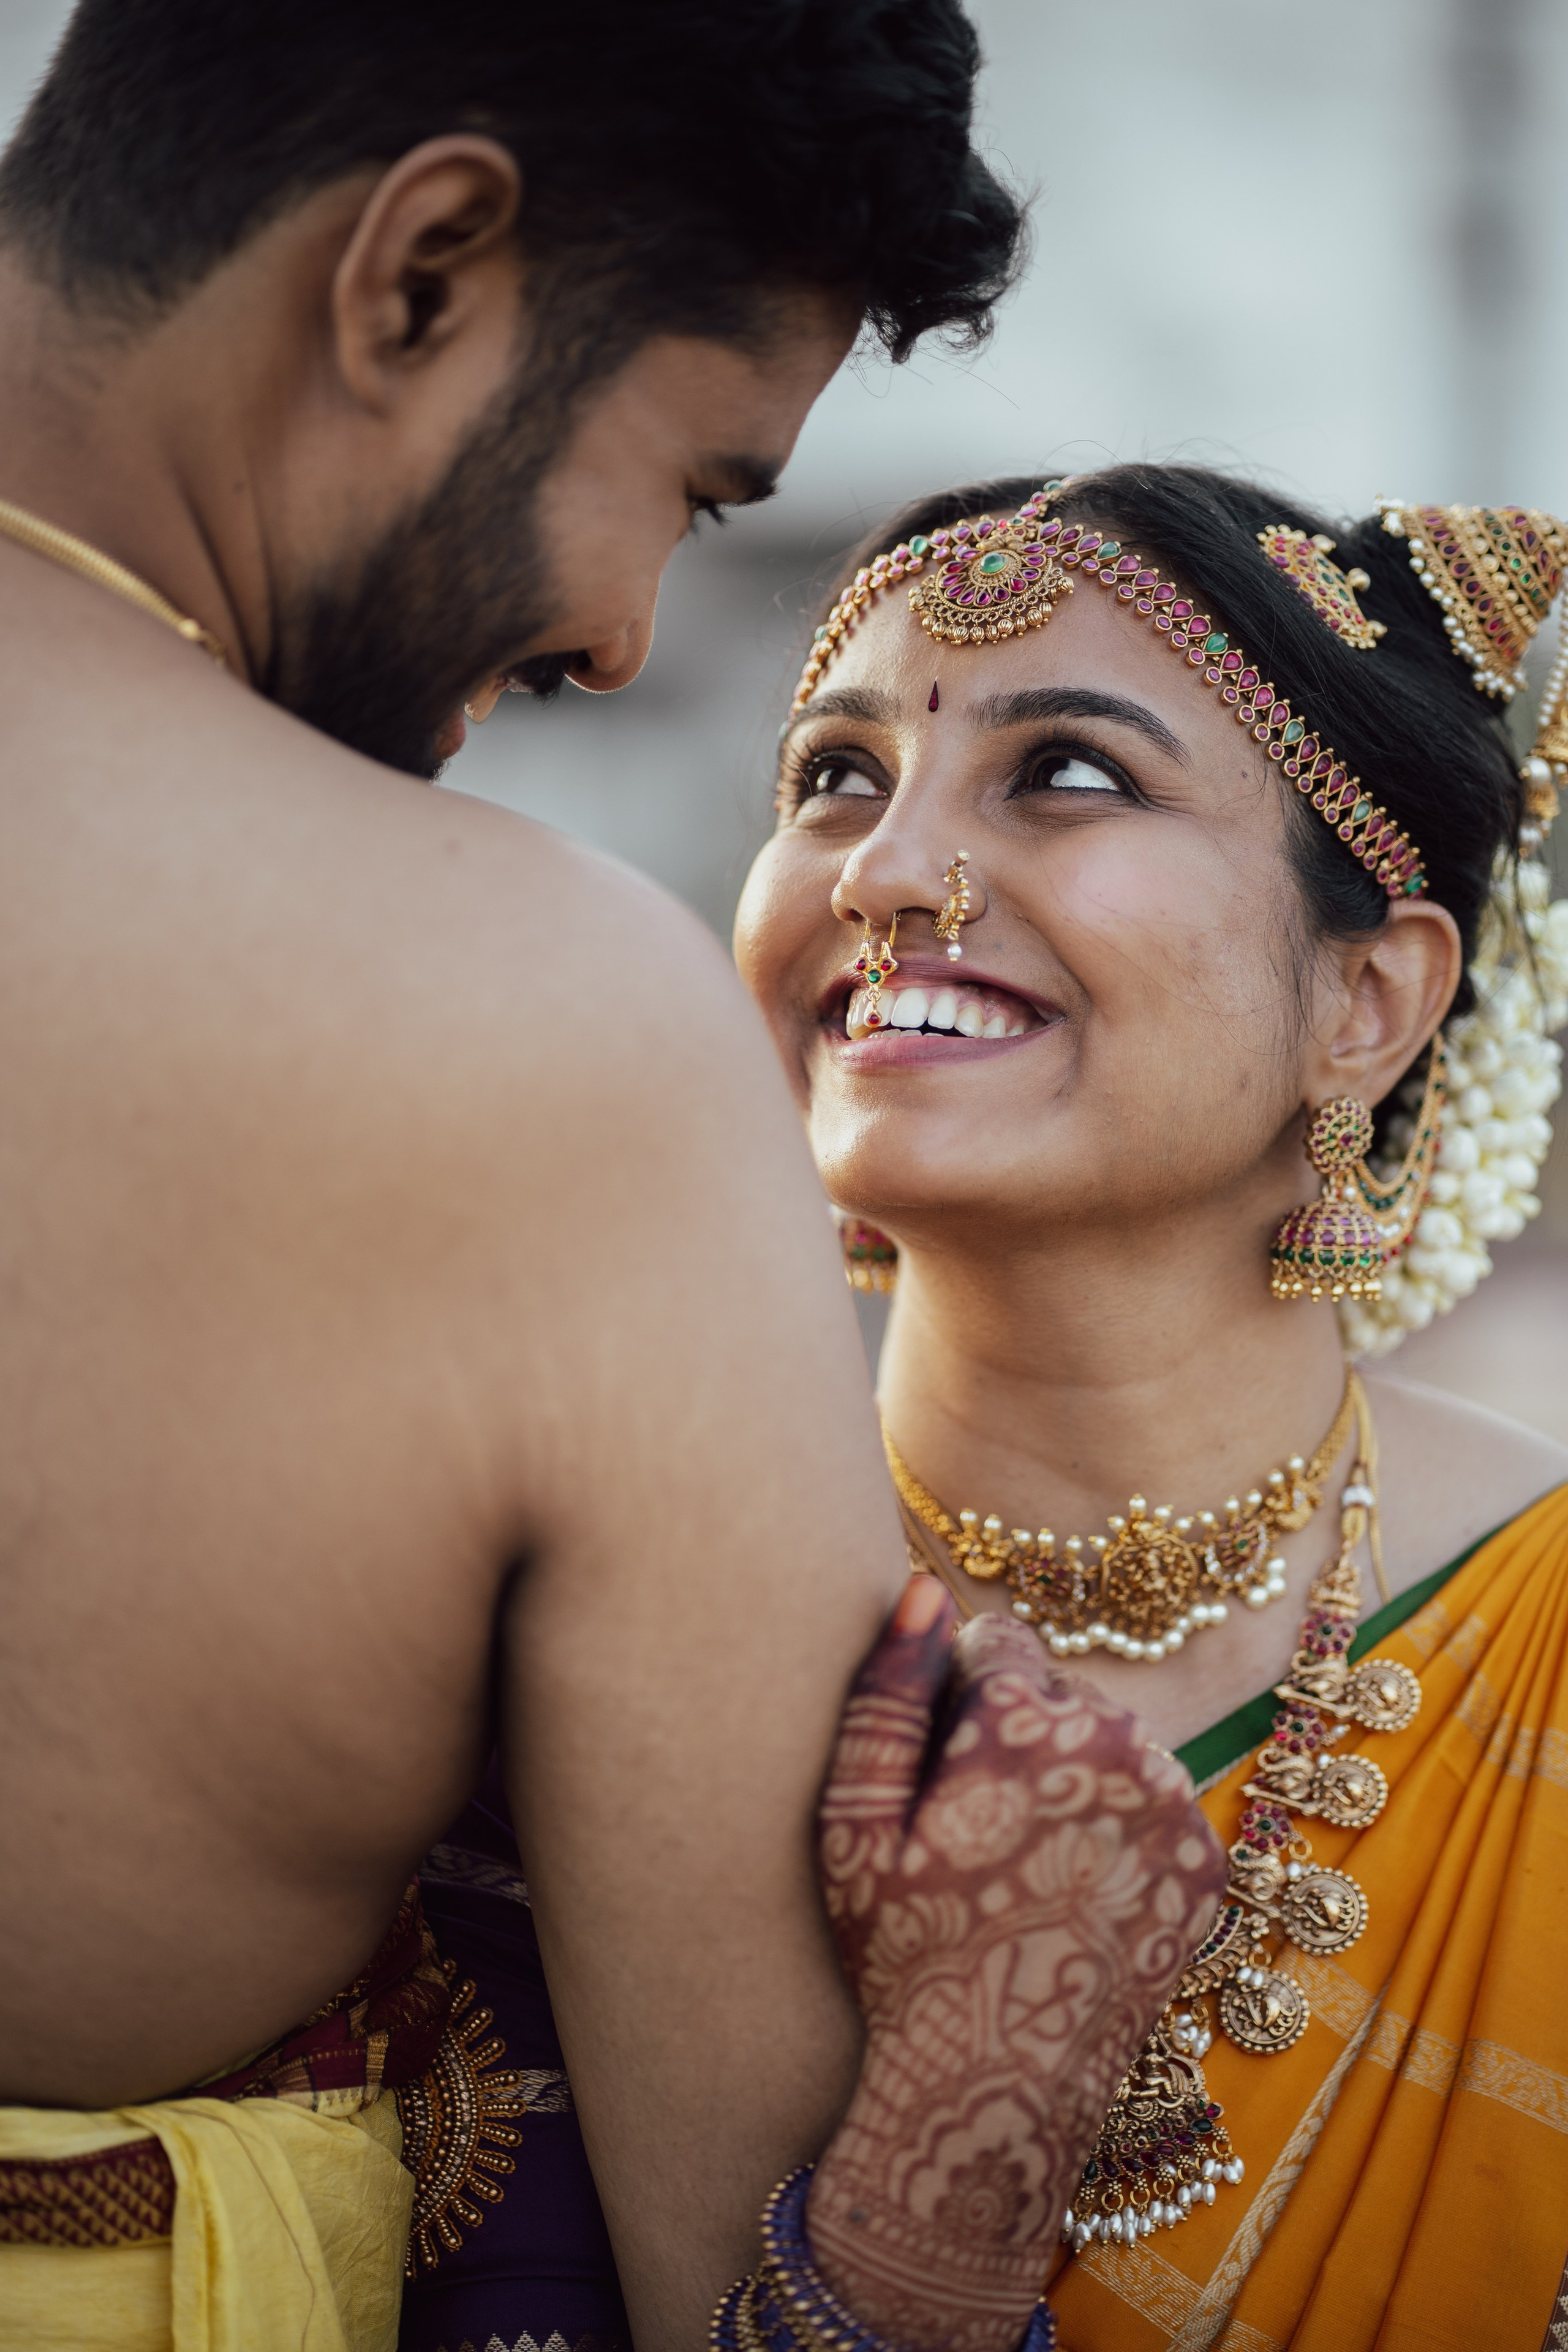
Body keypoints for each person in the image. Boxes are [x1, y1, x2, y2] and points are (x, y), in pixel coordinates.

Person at [0, 5, 1168, 2348]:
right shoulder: (536, 1032)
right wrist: (966, 2143)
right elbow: (752, 2272)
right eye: (697, 489)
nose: (625, 639)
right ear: (419, 270)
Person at [731, 463, 1568, 2348]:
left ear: (1370, 1001)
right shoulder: (618, 1612)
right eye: (834, 779)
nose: (875, 873)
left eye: (1068, 775)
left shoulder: (1550, 1645)